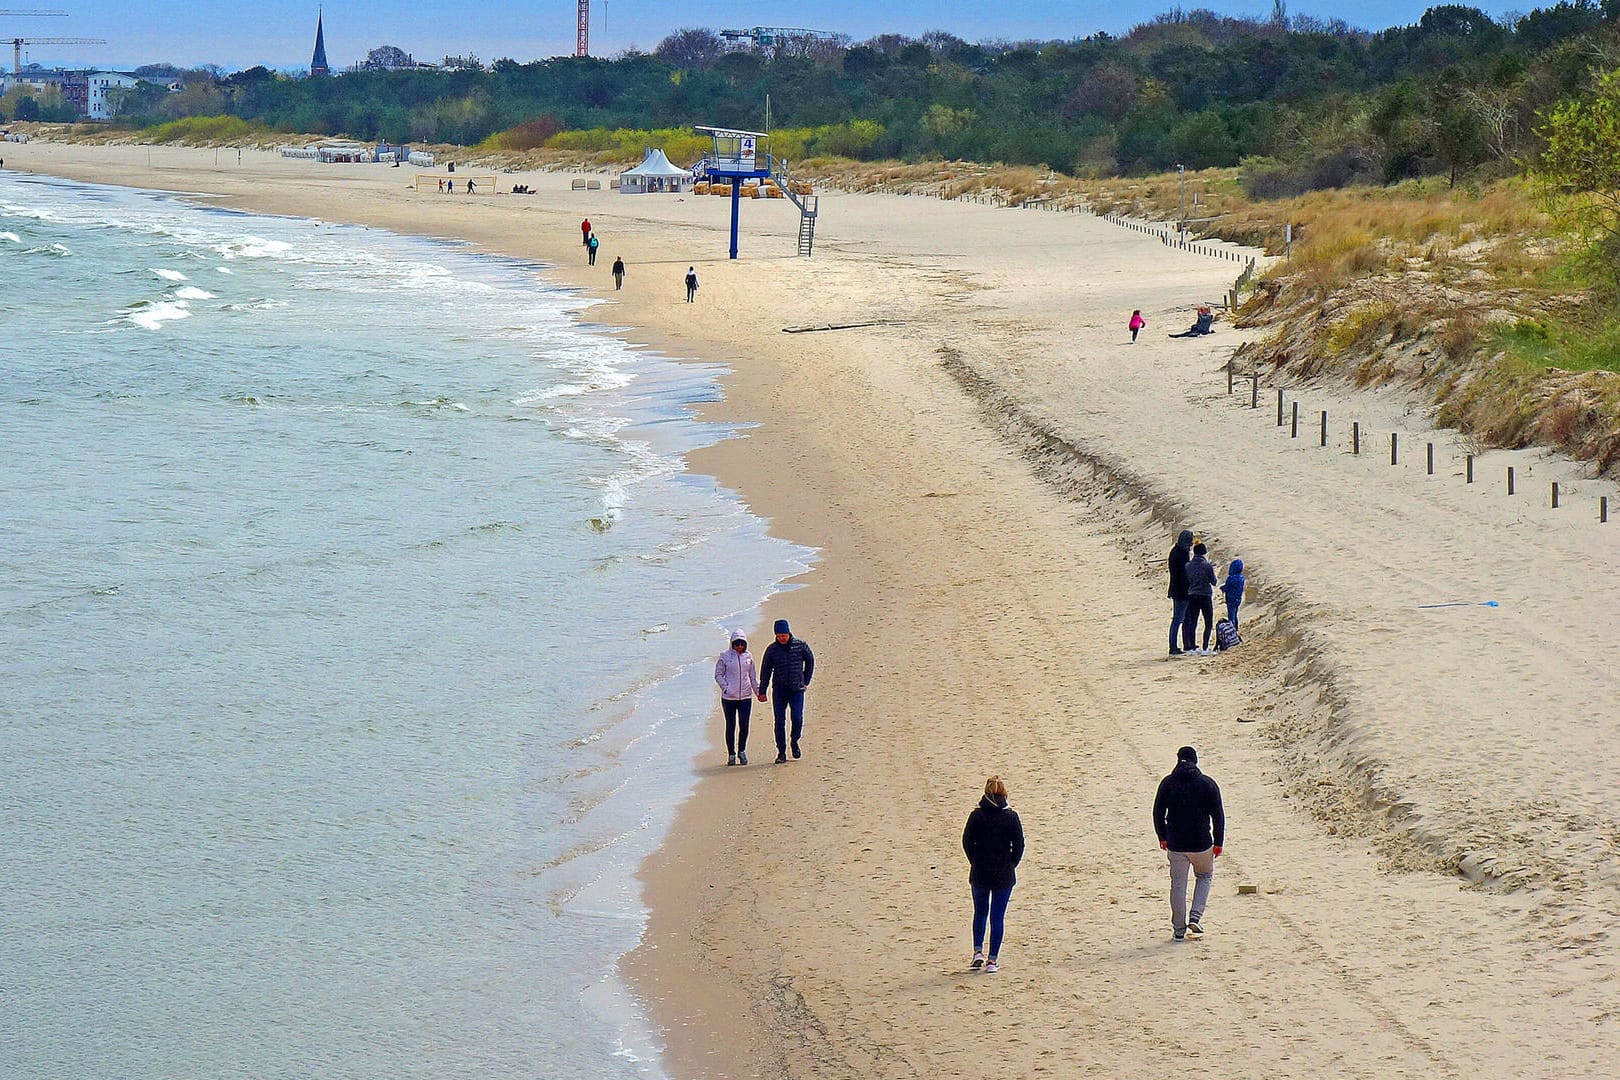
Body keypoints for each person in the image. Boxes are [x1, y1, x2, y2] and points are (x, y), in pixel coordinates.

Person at [1152, 746, 1225, 941]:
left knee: (1178, 885)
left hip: (1176, 843)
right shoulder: (1207, 784)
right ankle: (1196, 915)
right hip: (1202, 843)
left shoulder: (1167, 783)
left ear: (1178, 760)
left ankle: (1178, 929)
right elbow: (1218, 816)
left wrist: (1162, 836)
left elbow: (1158, 812)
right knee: (1204, 875)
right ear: (1196, 761)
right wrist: (1219, 842)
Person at [962, 775, 1024, 974]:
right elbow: (1019, 845)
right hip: (1003, 873)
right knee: (997, 917)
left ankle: (978, 951)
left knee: (980, 912)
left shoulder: (977, 815)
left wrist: (974, 860)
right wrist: (1012, 863)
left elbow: (966, 841)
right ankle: (992, 960)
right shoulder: (1011, 816)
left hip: (980, 871)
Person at [757, 619, 812, 763]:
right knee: (779, 722)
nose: (781, 638)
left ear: (788, 633)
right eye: (778, 635)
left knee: (797, 718)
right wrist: (762, 691)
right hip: (779, 691)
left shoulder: (800, 645)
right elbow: (765, 671)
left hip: (796, 690)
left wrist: (806, 681)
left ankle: (794, 741)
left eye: (783, 635)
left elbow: (810, 661)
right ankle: (781, 752)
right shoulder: (772, 650)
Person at [714, 629, 759, 766]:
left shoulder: (749, 657)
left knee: (744, 725)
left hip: (745, 696)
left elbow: (752, 677)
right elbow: (718, 675)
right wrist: (726, 688)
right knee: (731, 725)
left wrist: (758, 692)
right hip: (729, 698)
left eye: (742, 644)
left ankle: (742, 751)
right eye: (737, 644)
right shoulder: (725, 656)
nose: (739, 647)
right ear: (732, 644)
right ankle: (731, 754)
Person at [1185, 542, 1218, 654]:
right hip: (1205, 595)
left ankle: (1192, 646)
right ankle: (1205, 646)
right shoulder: (1207, 566)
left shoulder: (1188, 565)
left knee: (1193, 621)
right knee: (1208, 622)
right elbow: (1214, 582)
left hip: (1192, 595)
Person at [1167, 529, 1194, 657]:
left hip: (1177, 589)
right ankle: (1173, 647)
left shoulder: (1175, 551)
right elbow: (1184, 574)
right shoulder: (1181, 554)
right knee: (1178, 619)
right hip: (1182, 591)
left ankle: (1186, 644)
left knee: (1183, 618)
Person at [1221, 558, 1246, 632]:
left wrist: (1222, 588)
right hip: (1238, 598)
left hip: (1230, 599)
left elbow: (1227, 587)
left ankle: (1232, 631)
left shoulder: (1231, 578)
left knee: (1231, 616)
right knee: (1235, 615)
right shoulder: (1241, 578)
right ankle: (1236, 629)